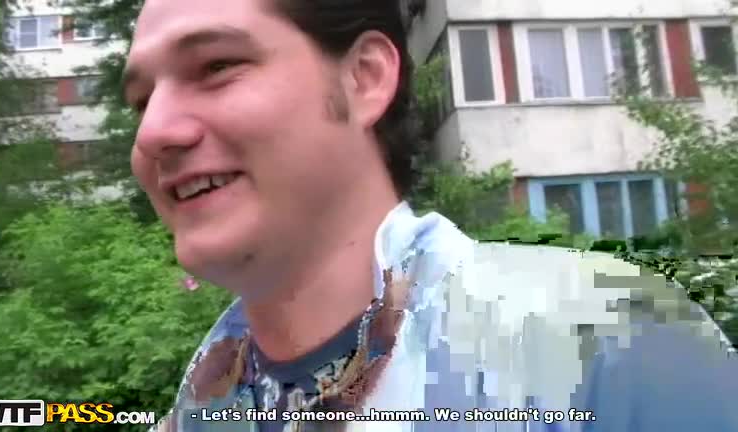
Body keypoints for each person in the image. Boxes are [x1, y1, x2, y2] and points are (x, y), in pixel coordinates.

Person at [123, 0, 738, 431]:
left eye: (216, 67)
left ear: (364, 79)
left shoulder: (607, 340)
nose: (152, 132)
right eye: (142, 101)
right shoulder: (206, 400)